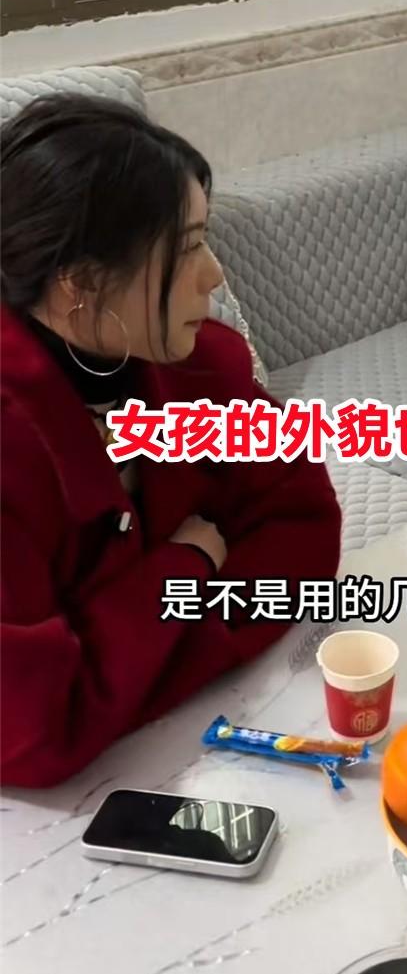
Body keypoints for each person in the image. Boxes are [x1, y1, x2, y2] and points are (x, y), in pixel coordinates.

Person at [0, 95, 342, 788]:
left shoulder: (201, 364)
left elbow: (306, 532)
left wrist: (118, 651)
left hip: (186, 744)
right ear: (79, 284)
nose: (214, 273)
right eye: (186, 248)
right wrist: (186, 563)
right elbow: (34, 732)